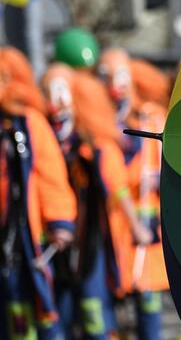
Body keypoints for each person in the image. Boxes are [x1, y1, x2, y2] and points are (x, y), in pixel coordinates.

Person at [41, 65, 153, 339]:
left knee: (95, 311)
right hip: (60, 245)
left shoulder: (97, 146)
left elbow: (117, 188)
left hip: (93, 242)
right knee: (62, 313)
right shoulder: (46, 141)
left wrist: (137, 226)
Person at [0, 48, 77, 340]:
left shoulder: (30, 123)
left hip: (24, 240)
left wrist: (59, 221)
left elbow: (50, 175)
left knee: (34, 309)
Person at [97, 49, 170, 340]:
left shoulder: (149, 118)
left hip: (146, 223)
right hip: (113, 226)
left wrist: (161, 178)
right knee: (115, 298)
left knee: (148, 295)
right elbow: (113, 178)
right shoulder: (100, 125)